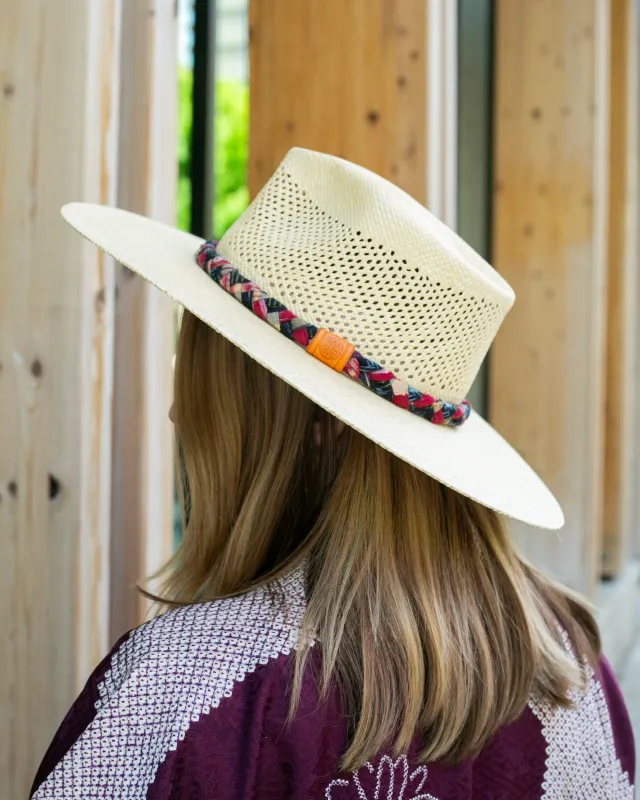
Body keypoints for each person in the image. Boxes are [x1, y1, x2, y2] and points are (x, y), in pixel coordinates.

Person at [31, 148, 634, 799]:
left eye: (204, 383)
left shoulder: (185, 691)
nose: (179, 412)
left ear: (305, 426)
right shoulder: (571, 675)